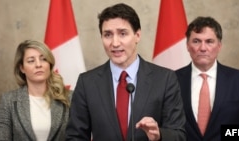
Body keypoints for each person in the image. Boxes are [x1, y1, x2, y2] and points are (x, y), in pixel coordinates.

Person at [66, 3, 186, 141]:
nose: (115, 43)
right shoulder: (87, 83)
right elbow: (75, 136)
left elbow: (179, 135)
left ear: (137, 35)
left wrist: (159, 135)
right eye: (108, 35)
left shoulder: (165, 79)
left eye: (122, 33)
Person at [175, 16, 239, 141]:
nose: (203, 48)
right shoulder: (171, 80)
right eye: (196, 41)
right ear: (187, 46)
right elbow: (168, 127)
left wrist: (223, 136)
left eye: (209, 41)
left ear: (219, 46)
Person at [0, 40, 71, 141]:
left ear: (49, 64)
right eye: (31, 61)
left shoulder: (70, 97)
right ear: (22, 68)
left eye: (43, 59)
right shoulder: (8, 101)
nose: (38, 65)